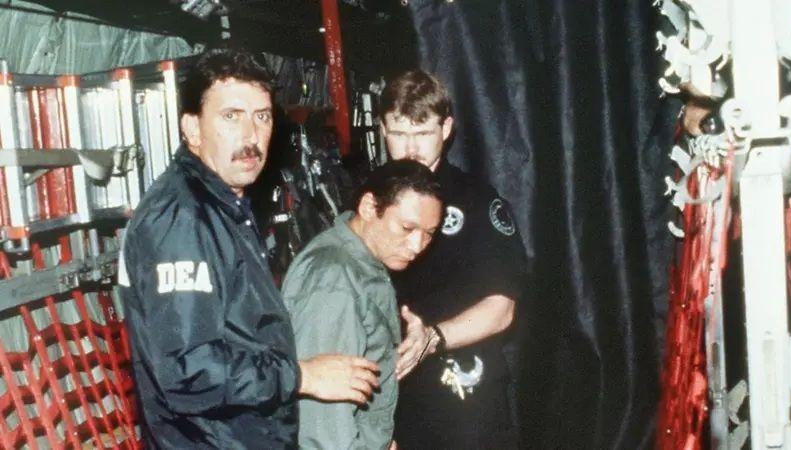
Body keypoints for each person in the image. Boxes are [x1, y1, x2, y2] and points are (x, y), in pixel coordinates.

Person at [117, 48, 380, 449]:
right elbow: (188, 371)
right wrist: (303, 376)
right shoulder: (183, 219)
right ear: (192, 128)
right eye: (231, 116)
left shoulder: (224, 205)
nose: (250, 136)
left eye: (262, 117)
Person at [379, 69, 527, 448]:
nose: (410, 148)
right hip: (391, 393)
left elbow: (502, 308)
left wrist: (433, 338)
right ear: (382, 130)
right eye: (399, 133)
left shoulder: (476, 202)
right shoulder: (368, 202)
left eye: (422, 133)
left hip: (463, 393)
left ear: (446, 129)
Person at [281, 160, 442, 449]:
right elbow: (324, 429)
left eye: (428, 233)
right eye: (407, 227)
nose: (417, 246)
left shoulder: (362, 261)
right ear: (369, 207)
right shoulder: (335, 278)